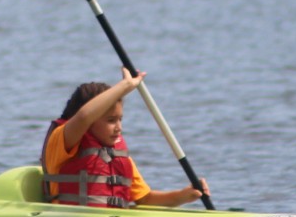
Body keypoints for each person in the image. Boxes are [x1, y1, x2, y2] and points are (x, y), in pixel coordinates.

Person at [41, 68, 211, 208]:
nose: (119, 128)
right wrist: (125, 85)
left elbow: (145, 199)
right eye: (110, 120)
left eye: (120, 119)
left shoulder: (115, 152)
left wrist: (183, 196)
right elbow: (84, 117)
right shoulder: (62, 139)